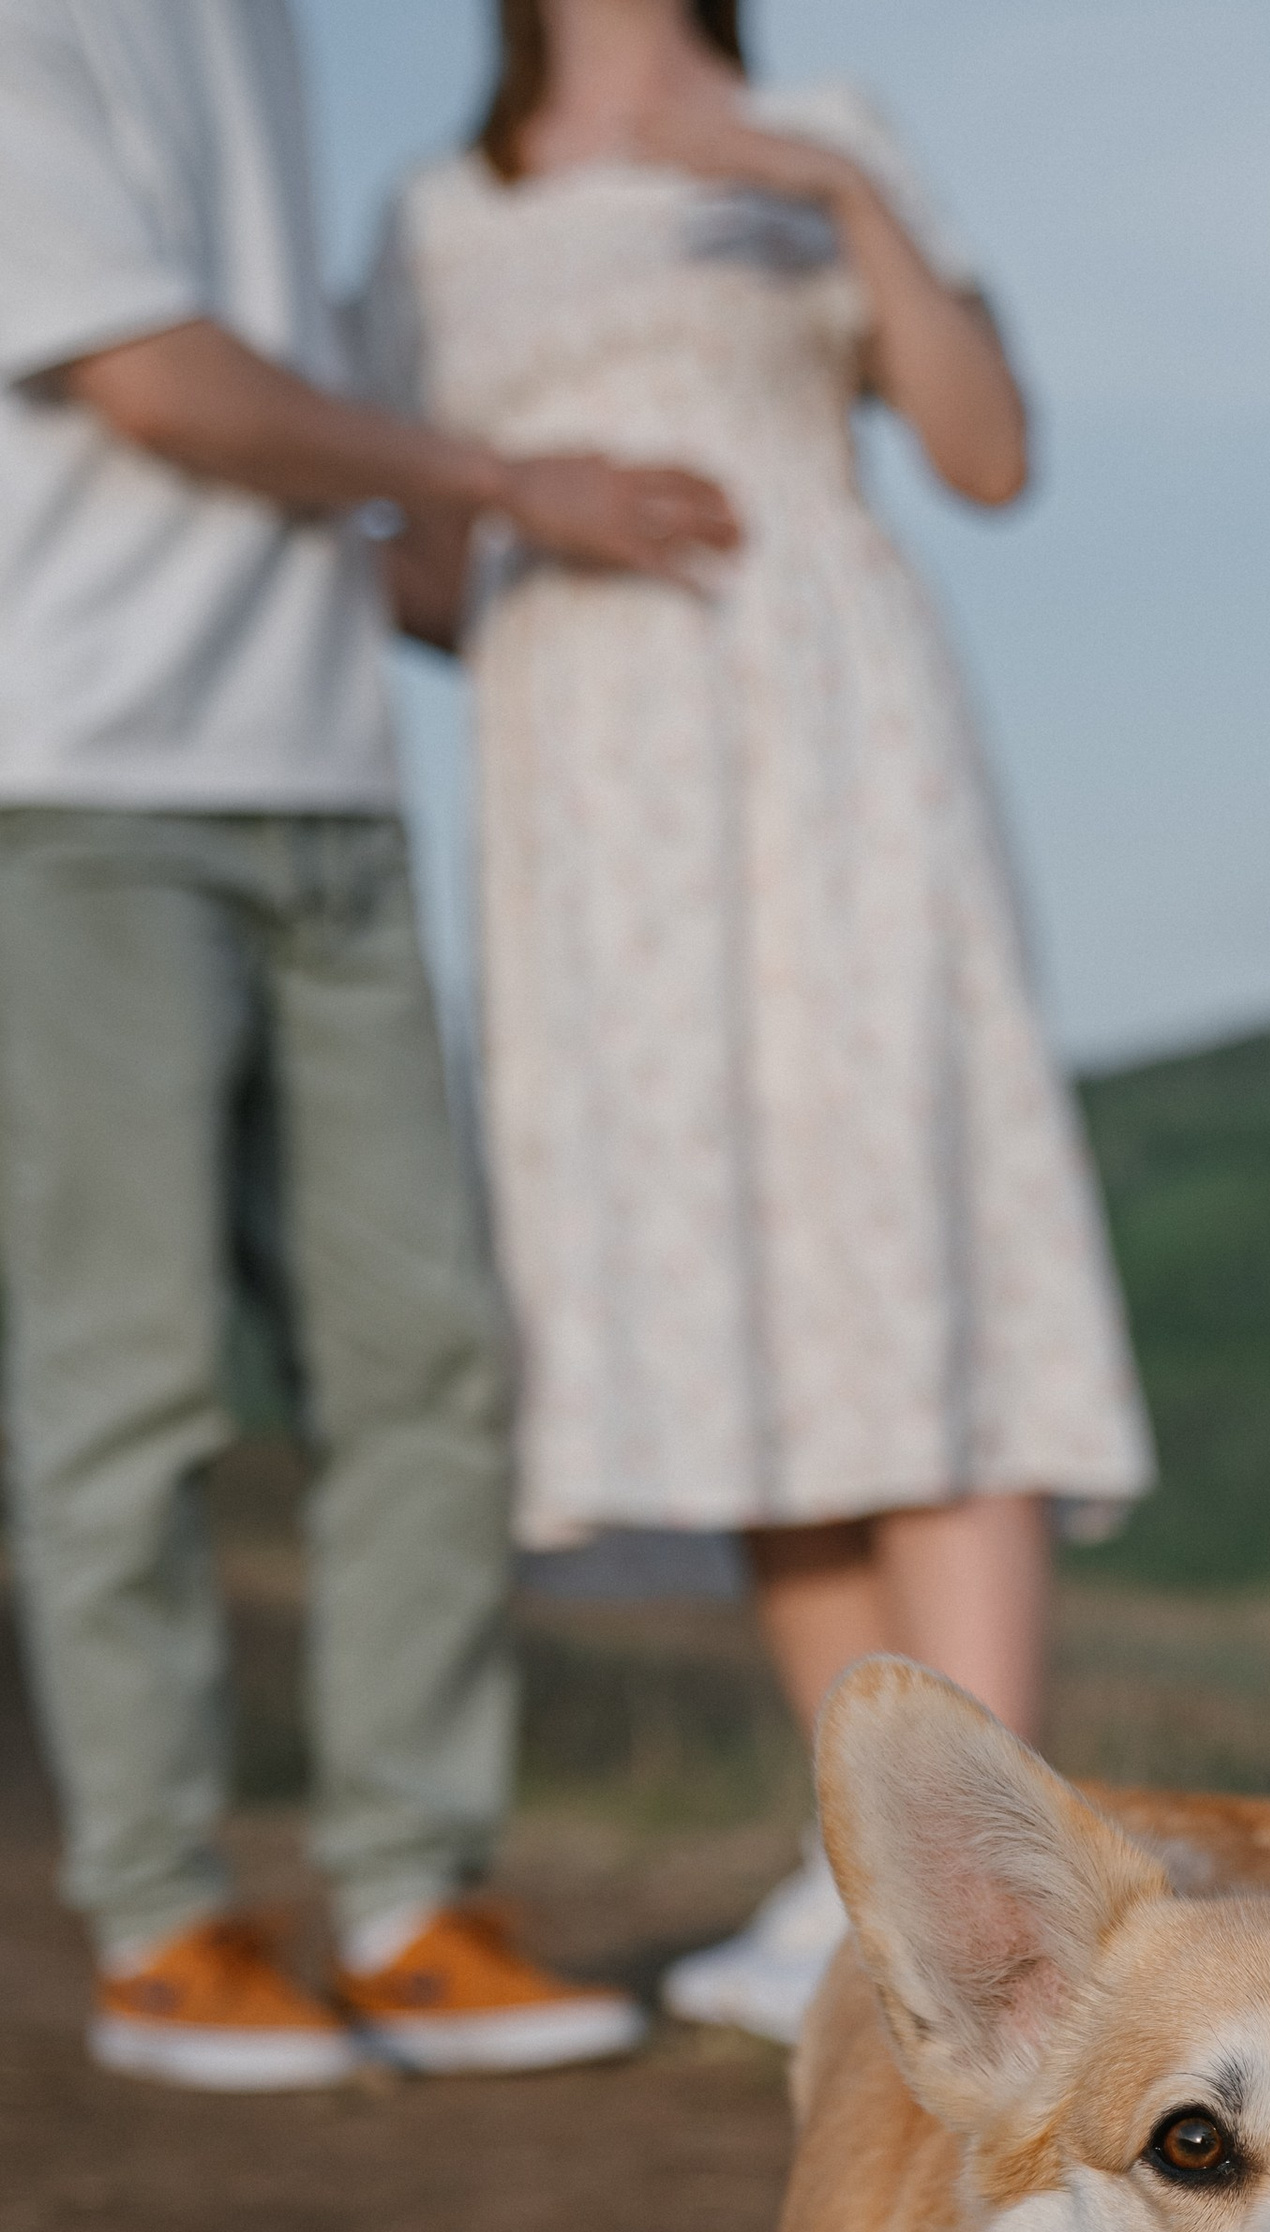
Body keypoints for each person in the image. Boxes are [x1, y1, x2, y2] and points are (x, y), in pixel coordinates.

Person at [361, 0, 1156, 2047]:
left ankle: (1009, 1877)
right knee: (729, 1304)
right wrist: (530, 507)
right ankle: (868, 1873)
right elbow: (425, 578)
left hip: (830, 732)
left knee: (918, 1239)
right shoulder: (440, 217)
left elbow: (986, 455)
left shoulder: (823, 129)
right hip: (594, 797)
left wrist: (836, 194)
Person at [0, 0, 747, 2090]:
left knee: (428, 1361)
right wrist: (515, 482)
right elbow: (161, 386)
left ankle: (415, 1901)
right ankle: (163, 1927)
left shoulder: (255, 31)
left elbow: (308, 397)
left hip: (325, 783)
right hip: (75, 788)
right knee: (126, 1377)